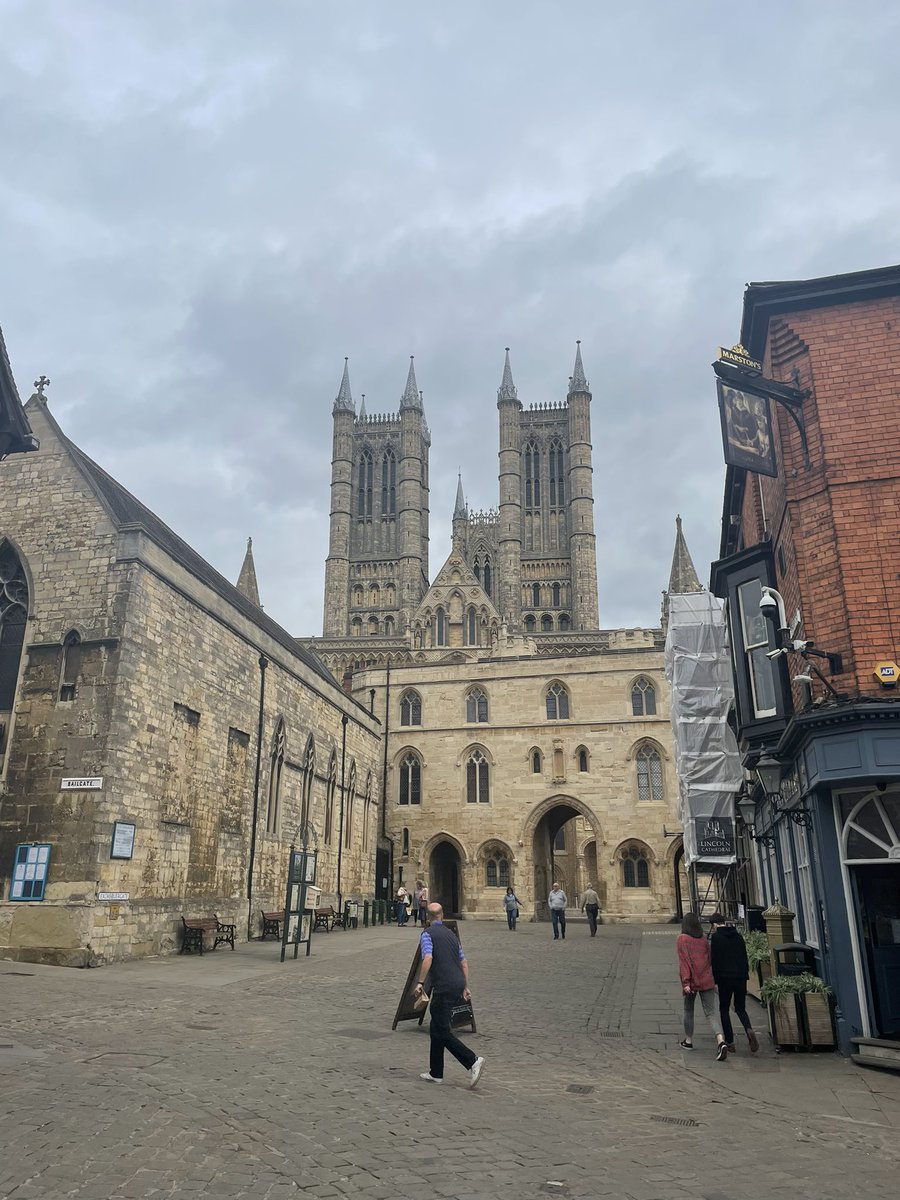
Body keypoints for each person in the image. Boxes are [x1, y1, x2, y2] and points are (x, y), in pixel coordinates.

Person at [414, 902, 485, 1087]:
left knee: (441, 1031)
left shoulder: (427, 934)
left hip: (444, 986)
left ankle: (472, 1060)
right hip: (457, 983)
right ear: (442, 914)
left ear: (428, 917)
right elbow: (464, 962)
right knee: (436, 1028)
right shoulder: (451, 935)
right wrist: (465, 986)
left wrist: (420, 983)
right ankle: (436, 1072)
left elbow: (428, 957)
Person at [677, 911, 728, 1061]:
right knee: (710, 1013)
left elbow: (684, 963)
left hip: (691, 982)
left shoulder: (682, 939)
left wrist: (686, 982)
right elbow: (709, 960)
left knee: (688, 1010)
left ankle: (688, 1041)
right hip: (706, 980)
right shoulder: (704, 939)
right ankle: (721, 1040)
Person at [709, 913, 759, 1054]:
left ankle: (730, 1042)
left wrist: (716, 980)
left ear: (714, 925)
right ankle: (748, 1029)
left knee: (724, 1009)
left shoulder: (717, 938)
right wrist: (745, 975)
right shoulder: (738, 936)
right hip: (740, 977)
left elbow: (715, 960)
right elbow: (744, 957)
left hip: (725, 978)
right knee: (740, 1008)